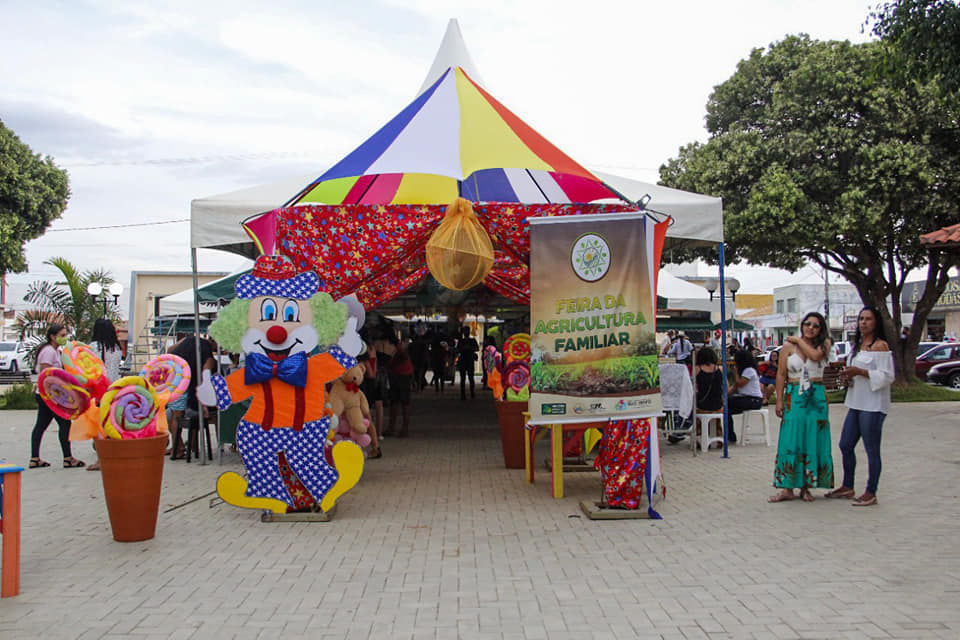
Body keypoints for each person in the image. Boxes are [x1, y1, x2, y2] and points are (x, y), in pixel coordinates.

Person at [825, 307, 893, 507]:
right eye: (861, 319)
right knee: (845, 444)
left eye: (868, 319)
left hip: (873, 405)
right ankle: (848, 485)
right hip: (856, 401)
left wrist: (861, 372)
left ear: (876, 322)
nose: (863, 323)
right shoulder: (857, 346)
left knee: (871, 449)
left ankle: (871, 491)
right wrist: (849, 377)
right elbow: (854, 372)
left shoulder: (880, 346)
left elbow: (887, 376)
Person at [770, 312, 834, 503]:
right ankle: (787, 486)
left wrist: (799, 340)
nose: (811, 328)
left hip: (816, 395)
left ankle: (807, 486)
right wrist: (779, 399)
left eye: (815, 325)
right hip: (795, 394)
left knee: (812, 438)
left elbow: (814, 356)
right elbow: (781, 374)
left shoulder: (825, 344)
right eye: (807, 324)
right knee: (791, 438)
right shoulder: (788, 347)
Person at [30, 323, 85, 468]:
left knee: (41, 425)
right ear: (52, 337)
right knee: (65, 424)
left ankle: (34, 458)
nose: (64, 338)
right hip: (50, 396)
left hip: (47, 395)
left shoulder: (55, 351)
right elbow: (45, 373)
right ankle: (68, 458)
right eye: (61, 335)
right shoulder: (49, 351)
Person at [167, 335, 216, 459]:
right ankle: (179, 449)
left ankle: (180, 446)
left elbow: (170, 349)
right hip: (187, 381)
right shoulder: (207, 350)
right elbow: (205, 374)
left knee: (174, 415)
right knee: (185, 414)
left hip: (175, 377)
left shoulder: (188, 339)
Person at [86, 318, 124, 471]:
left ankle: (101, 460)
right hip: (116, 388)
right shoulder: (117, 347)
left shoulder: (93, 347)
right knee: (112, 422)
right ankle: (115, 454)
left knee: (100, 425)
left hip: (100, 389)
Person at [726, 350, 764, 443]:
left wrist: (735, 372)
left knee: (729, 404)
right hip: (745, 397)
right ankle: (730, 434)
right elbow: (734, 387)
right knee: (726, 408)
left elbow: (740, 384)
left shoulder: (749, 370)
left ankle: (730, 435)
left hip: (753, 399)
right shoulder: (744, 372)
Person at [384, 334, 412, 437]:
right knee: (397, 402)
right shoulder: (398, 347)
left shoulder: (398, 348)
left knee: (401, 402)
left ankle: (401, 428)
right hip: (401, 374)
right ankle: (396, 428)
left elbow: (403, 357)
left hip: (401, 375)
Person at [360, 341, 385, 442]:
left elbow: (371, 374)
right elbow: (374, 371)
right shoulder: (373, 349)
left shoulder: (363, 357)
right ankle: (379, 433)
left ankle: (370, 433)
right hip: (377, 381)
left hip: (368, 384)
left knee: (367, 410)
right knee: (379, 407)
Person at [456, 326, 479, 400]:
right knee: (463, 378)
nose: (466, 333)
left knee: (470, 377)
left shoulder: (472, 340)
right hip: (464, 360)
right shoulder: (461, 341)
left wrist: (469, 348)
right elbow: (458, 349)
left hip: (469, 359)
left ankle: (472, 393)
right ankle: (463, 394)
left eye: (467, 331)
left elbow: (477, 348)